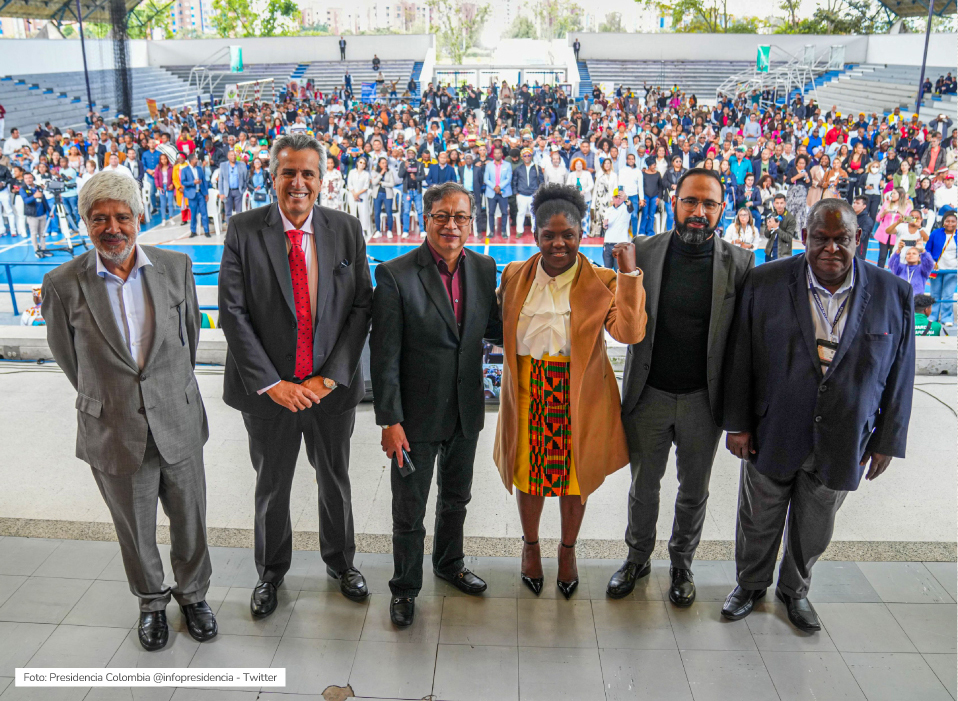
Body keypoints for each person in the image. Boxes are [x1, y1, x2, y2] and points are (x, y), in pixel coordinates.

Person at [41, 171, 217, 652]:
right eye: (100, 219)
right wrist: (117, 399)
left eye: (122, 216)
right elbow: (69, 359)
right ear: (86, 223)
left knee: (190, 522)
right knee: (134, 531)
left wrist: (163, 392)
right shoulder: (61, 284)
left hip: (177, 421)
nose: (112, 227)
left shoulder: (176, 266)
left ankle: (194, 596)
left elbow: (188, 340)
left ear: (140, 217)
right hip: (114, 429)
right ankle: (151, 604)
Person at [722, 198, 915, 632]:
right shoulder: (765, 281)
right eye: (821, 238)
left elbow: (901, 373)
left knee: (814, 527)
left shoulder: (892, 293)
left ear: (858, 239)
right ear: (804, 238)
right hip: (773, 427)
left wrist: (887, 440)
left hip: (845, 437)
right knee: (758, 518)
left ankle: (795, 591)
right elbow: (741, 357)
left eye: (841, 239)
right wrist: (738, 424)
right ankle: (750, 586)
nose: (831, 248)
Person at [217, 134, 373, 617]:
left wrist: (329, 378)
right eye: (289, 172)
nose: (298, 183)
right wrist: (273, 383)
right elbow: (232, 312)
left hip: (328, 390)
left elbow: (361, 307)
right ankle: (270, 573)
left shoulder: (346, 229)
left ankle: (341, 563)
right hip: (269, 394)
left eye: (308, 173)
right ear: (273, 177)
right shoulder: (244, 230)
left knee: (335, 480)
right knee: (272, 484)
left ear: (323, 180)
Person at [608, 168, 753, 605]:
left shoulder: (739, 263)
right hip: (648, 393)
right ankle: (636, 557)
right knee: (643, 486)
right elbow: (622, 325)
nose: (698, 212)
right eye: (691, 201)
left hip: (702, 401)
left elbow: (745, 345)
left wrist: (738, 415)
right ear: (674, 202)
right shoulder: (643, 254)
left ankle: (681, 562)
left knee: (693, 490)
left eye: (709, 204)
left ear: (722, 210)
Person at [495, 184, 646, 599]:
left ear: (583, 234)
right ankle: (530, 547)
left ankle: (567, 551)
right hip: (526, 391)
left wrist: (631, 274)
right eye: (549, 235)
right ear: (536, 234)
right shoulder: (514, 276)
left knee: (573, 478)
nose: (559, 244)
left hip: (577, 393)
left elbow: (630, 333)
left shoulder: (603, 281)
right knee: (528, 475)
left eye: (569, 235)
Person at [370, 181, 502, 627]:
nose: (451, 225)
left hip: (466, 409)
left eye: (460, 216)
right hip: (415, 417)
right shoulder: (395, 273)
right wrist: (390, 420)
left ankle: (449, 564)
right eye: (442, 216)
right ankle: (405, 587)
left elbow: (498, 328)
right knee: (409, 509)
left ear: (471, 221)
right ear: (425, 220)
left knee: (456, 499)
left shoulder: (484, 269)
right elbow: (384, 355)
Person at [925, 211, 958, 326]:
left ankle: (947, 317)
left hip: (952, 270)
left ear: (957, 222)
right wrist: (931, 262)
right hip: (937, 269)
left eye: (953, 221)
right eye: (947, 221)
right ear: (943, 222)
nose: (950, 223)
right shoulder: (935, 233)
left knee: (948, 294)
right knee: (935, 294)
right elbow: (927, 249)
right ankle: (933, 316)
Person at [874, 186, 911, 268]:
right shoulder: (887, 203)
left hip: (896, 234)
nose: (892, 195)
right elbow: (878, 218)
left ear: (901, 195)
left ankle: (893, 276)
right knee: (882, 256)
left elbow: (909, 220)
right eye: (892, 193)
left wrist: (901, 213)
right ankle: (879, 274)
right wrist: (884, 213)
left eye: (894, 193)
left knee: (893, 256)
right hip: (884, 232)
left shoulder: (907, 205)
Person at [512, 147, 544, 235]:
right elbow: (514, 181)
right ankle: (519, 231)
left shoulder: (537, 168)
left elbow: (541, 181)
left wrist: (539, 192)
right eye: (525, 155)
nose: (527, 157)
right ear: (522, 157)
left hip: (533, 194)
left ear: (531, 156)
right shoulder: (518, 169)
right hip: (521, 194)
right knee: (521, 213)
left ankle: (534, 231)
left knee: (534, 214)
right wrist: (516, 193)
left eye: (529, 155)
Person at [179, 153, 211, 238]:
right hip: (191, 194)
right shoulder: (185, 170)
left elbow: (204, 181)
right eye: (195, 159)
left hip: (200, 193)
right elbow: (183, 182)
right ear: (191, 160)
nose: (197, 160)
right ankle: (193, 231)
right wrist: (193, 182)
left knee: (204, 212)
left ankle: (206, 230)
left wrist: (206, 194)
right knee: (193, 214)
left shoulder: (199, 169)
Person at [484, 146, 512, 238]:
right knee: (491, 213)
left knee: (504, 212)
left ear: (502, 154)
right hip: (491, 192)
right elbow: (486, 179)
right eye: (495, 153)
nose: (497, 154)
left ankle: (503, 231)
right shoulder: (489, 165)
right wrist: (494, 187)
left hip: (503, 192)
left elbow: (508, 179)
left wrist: (499, 187)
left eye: (499, 153)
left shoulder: (507, 165)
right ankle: (491, 231)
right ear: (493, 154)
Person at [602, 187, 632, 269]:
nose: (618, 199)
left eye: (620, 197)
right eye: (616, 197)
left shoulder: (626, 208)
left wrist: (626, 199)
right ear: (612, 198)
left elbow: (631, 206)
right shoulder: (608, 210)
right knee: (607, 271)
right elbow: (605, 225)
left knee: (619, 271)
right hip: (608, 242)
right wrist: (605, 225)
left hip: (620, 244)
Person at [763, 193, 796, 261]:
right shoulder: (770, 216)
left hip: (783, 253)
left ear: (785, 204)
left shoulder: (790, 218)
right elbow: (767, 235)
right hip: (770, 251)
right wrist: (769, 229)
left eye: (781, 203)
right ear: (774, 204)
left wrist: (776, 228)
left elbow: (788, 238)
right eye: (777, 203)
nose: (779, 205)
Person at [217, 149, 248, 221]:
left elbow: (246, 178)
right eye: (231, 155)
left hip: (238, 191)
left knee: (239, 212)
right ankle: (230, 228)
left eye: (234, 155)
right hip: (227, 192)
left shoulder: (242, 164)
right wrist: (221, 193)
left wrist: (243, 189)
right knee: (228, 211)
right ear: (228, 156)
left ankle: (238, 229)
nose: (233, 157)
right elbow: (220, 180)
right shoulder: (223, 165)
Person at [370, 156, 396, 239]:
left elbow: (392, 184)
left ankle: (389, 231)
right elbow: (374, 183)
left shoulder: (390, 172)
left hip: (387, 194)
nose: (385, 164)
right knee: (377, 213)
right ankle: (378, 231)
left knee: (389, 212)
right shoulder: (374, 172)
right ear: (379, 164)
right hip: (377, 194)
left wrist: (382, 183)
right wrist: (381, 174)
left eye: (386, 163)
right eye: (383, 163)